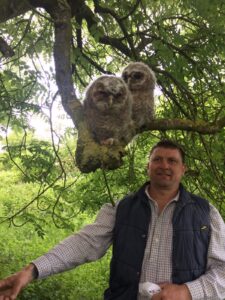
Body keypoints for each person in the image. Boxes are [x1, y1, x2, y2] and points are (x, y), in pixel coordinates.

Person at [0, 139, 225, 300]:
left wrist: (187, 292)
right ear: (148, 167)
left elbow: (223, 272)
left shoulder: (207, 213)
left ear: (183, 169)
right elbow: (84, 243)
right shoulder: (121, 208)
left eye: (172, 161)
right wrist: (30, 271)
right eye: (157, 159)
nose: (164, 165)